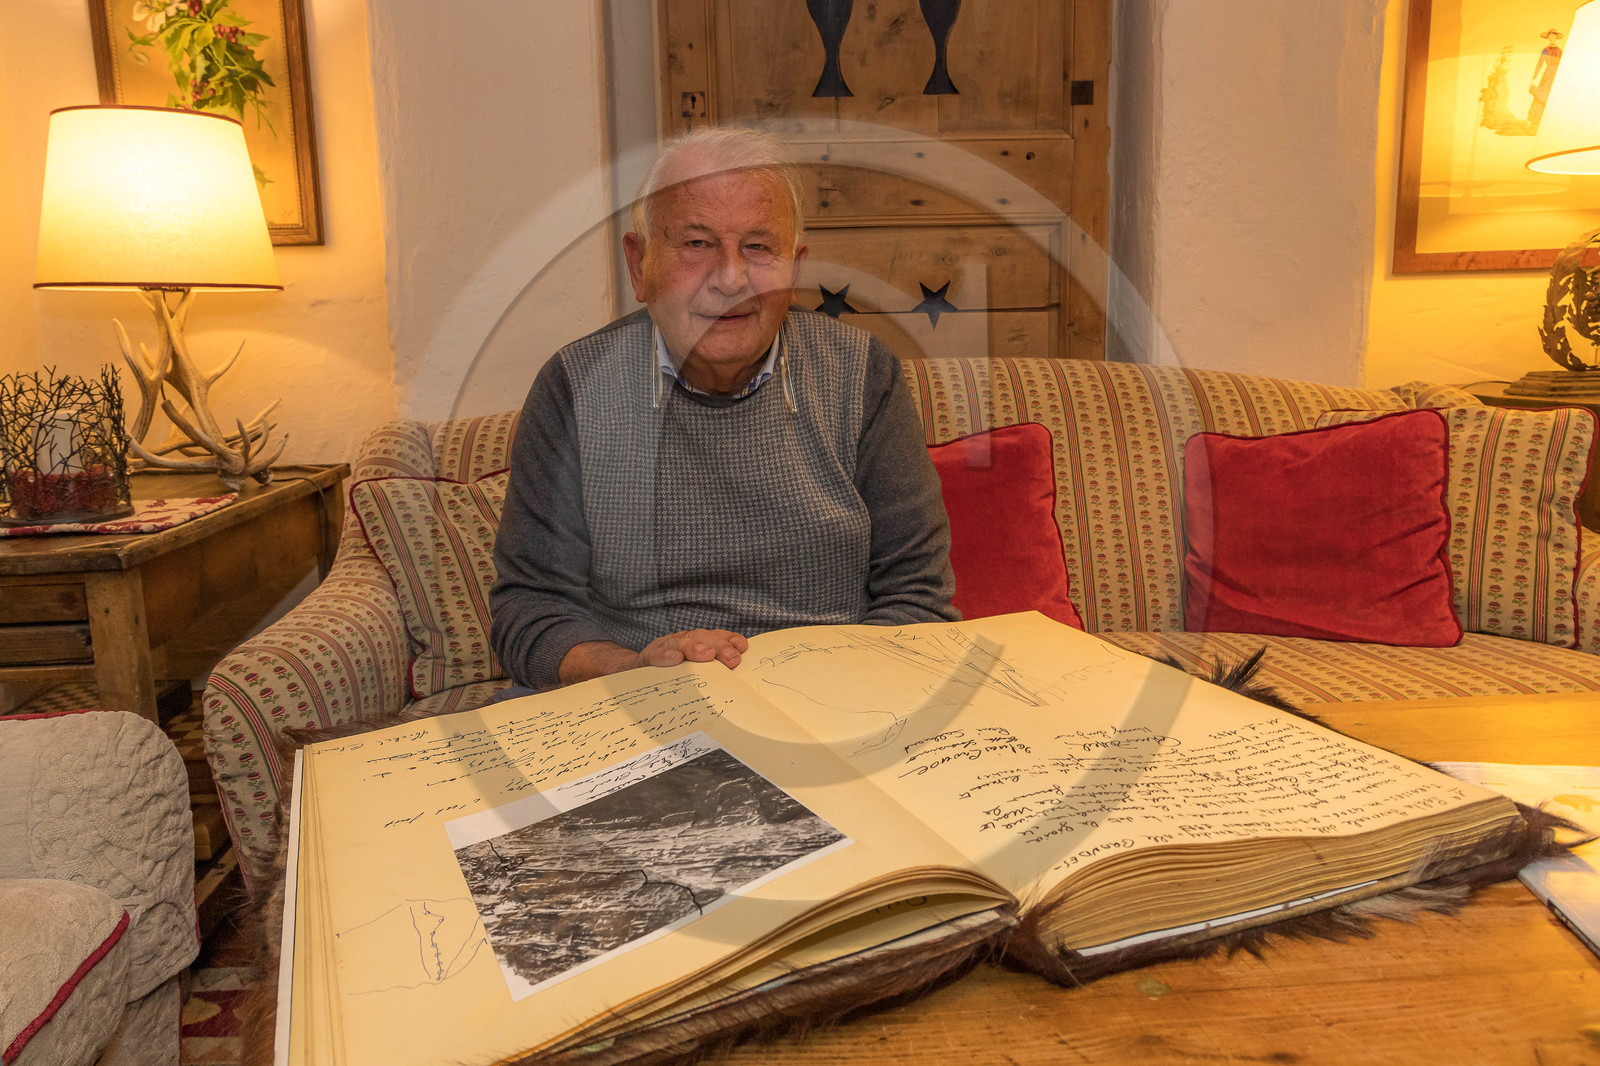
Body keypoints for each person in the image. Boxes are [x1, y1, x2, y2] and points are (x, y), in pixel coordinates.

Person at [489, 127, 957, 692]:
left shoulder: (862, 374)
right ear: (639, 265)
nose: (731, 279)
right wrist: (634, 669)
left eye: (758, 247)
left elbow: (918, 596)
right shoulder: (574, 385)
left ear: (794, 270)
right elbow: (531, 610)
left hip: (832, 694)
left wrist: (817, 694)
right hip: (638, 700)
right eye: (696, 244)